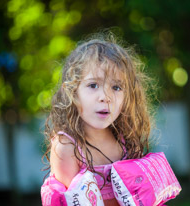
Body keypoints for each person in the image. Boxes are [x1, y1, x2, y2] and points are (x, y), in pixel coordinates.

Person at [43, 33, 154, 206]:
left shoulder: (124, 138)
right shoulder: (67, 147)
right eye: (93, 85)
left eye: (116, 87)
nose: (106, 97)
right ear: (72, 92)